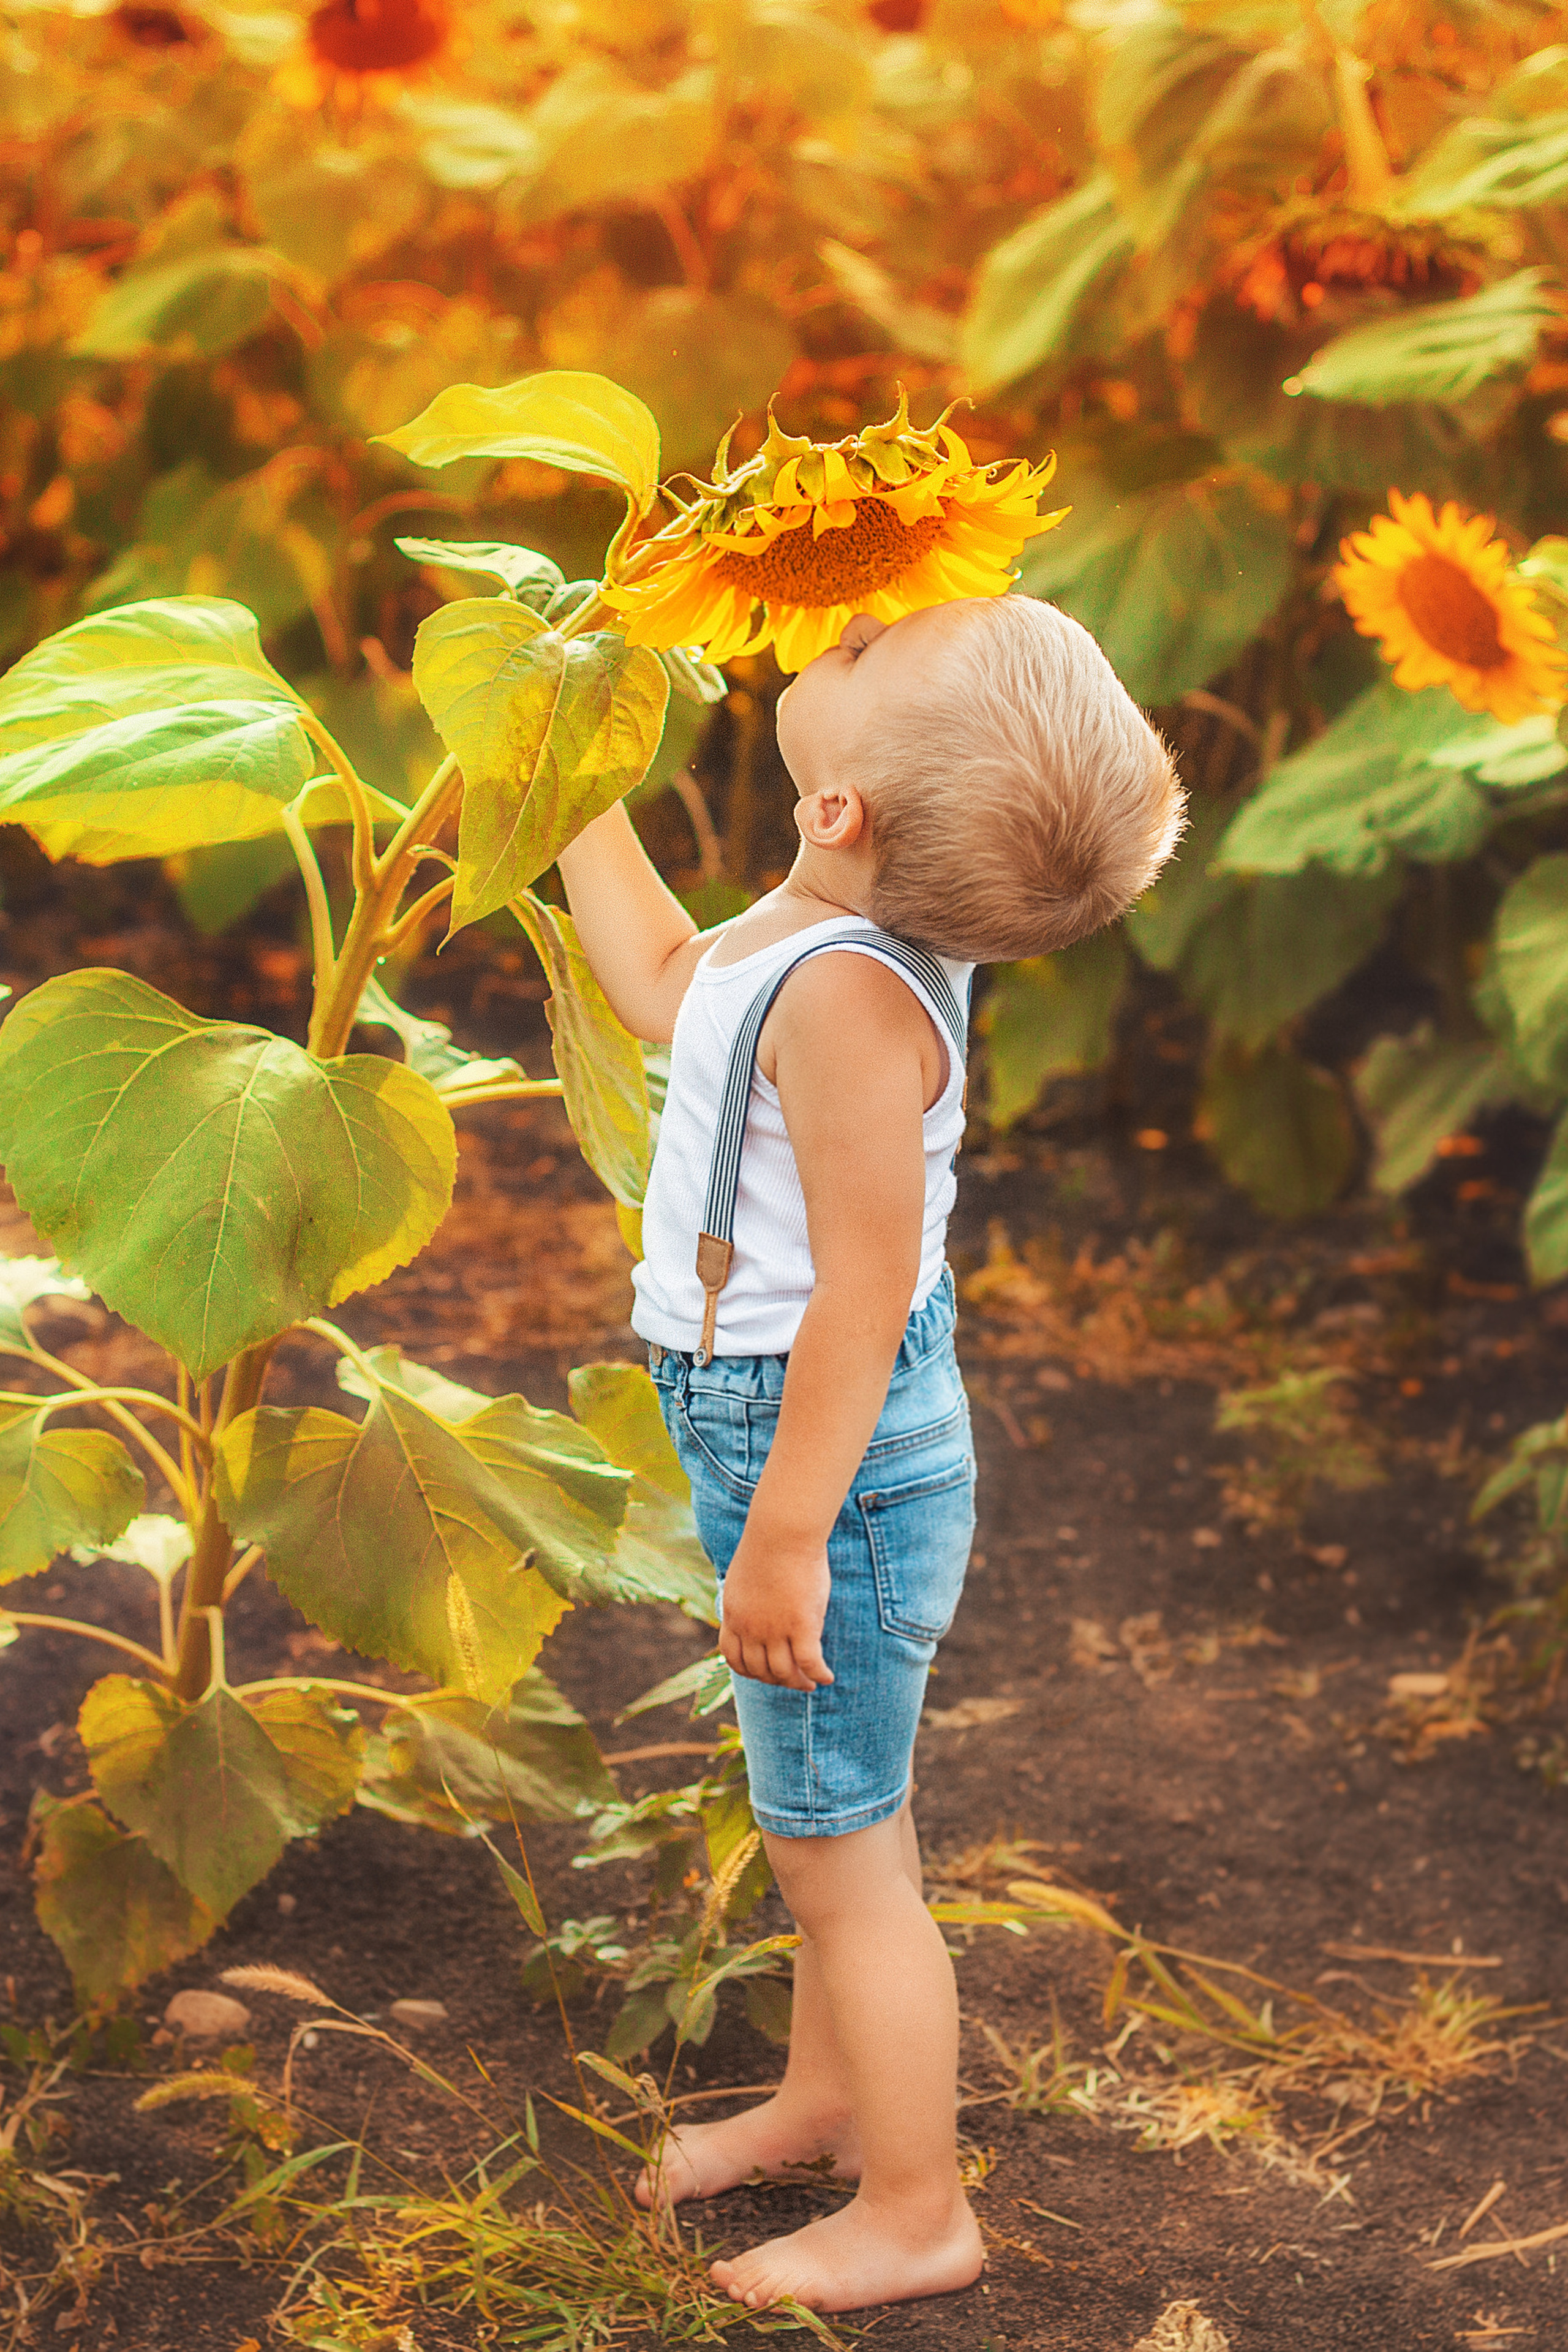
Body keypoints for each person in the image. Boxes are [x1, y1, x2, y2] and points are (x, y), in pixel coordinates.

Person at [556, 594, 1183, 2315]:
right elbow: (670, 990)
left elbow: (863, 1285)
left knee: (844, 1866)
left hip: (814, 1441)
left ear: (843, 810)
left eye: (853, 654)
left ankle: (916, 2208)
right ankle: (832, 2102)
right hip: (795, 1429)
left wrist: (785, 1534)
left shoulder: (847, 997)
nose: (833, 635)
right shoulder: (833, 918)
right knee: (848, 1819)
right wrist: (565, 788)